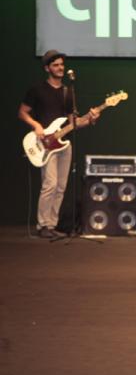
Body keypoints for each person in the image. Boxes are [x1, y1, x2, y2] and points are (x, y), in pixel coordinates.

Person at [18, 50, 100, 239]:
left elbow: (73, 122)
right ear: (47, 68)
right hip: (44, 143)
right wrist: (36, 125)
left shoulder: (67, 91)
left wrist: (91, 119)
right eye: (55, 65)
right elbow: (22, 112)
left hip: (63, 144)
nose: (60, 68)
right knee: (50, 184)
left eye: (62, 64)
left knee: (61, 186)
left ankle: (51, 224)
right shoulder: (37, 90)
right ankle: (42, 224)